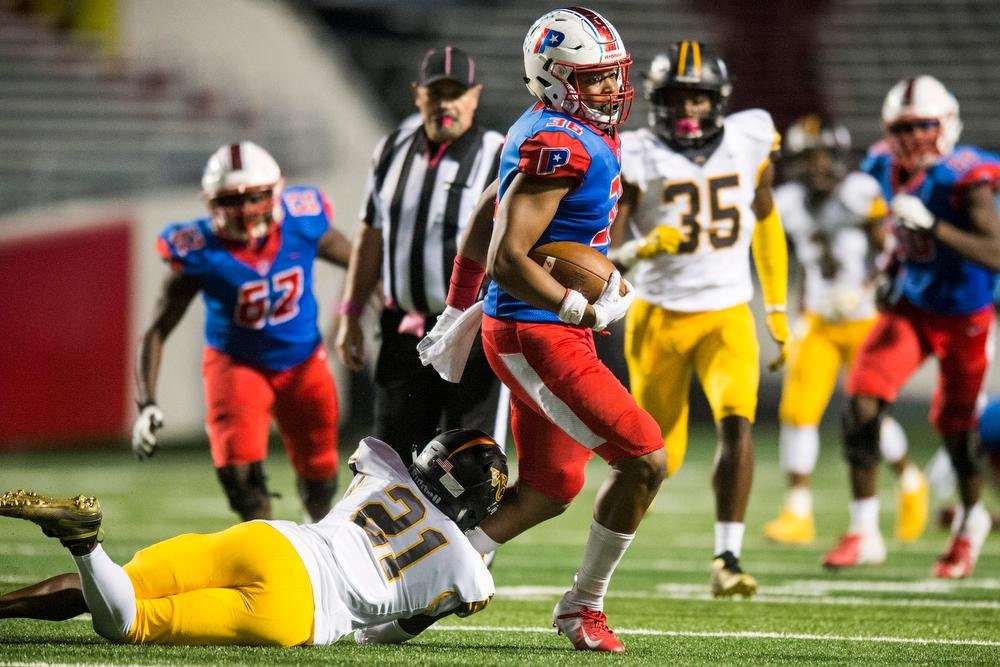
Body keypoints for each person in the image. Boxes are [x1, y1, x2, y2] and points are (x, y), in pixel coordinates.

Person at [421, 7, 666, 654]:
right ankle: (582, 605)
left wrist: (455, 306)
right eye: (595, 80)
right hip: (536, 330)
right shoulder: (559, 140)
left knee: (553, 485)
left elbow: (482, 215)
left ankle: (425, 589)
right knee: (645, 458)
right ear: (553, 78)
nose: (612, 91)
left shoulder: (560, 129)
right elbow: (506, 253)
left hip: (541, 325)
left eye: (614, 77)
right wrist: (577, 305)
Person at [0, 429, 507, 647]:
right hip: (298, 607)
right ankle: (85, 542)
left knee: (124, 582)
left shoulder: (382, 470)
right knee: (129, 624)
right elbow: (390, 631)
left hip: (271, 540)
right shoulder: (469, 574)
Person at [608, 41, 787, 598]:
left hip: (728, 312)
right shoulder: (636, 153)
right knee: (659, 455)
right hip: (659, 318)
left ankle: (727, 557)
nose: (689, 111)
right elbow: (605, 249)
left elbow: (767, 219)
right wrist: (640, 250)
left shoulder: (751, 139)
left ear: (720, 102)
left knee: (738, 420)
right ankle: (603, 558)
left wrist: (777, 306)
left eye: (700, 100)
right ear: (660, 101)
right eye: (678, 99)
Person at [823, 75, 1000, 578]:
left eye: (924, 125)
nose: (914, 138)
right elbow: (898, 234)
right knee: (860, 402)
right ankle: (864, 531)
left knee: (957, 429)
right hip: (911, 308)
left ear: (945, 124)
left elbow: (995, 252)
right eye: (904, 127)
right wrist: (889, 269)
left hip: (964, 315)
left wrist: (934, 227)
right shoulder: (882, 163)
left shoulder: (968, 176)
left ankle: (969, 528)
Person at [132, 141, 350, 523]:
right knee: (240, 480)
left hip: (302, 361)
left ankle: (321, 545)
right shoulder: (199, 249)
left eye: (253, 197)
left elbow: (363, 261)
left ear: (275, 193)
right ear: (211, 203)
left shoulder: (302, 223)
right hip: (237, 365)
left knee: (321, 476)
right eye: (231, 200)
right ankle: (263, 552)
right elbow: (155, 330)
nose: (245, 210)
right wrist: (146, 402)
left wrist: (351, 314)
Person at [763, 115, 928, 546]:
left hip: (863, 321)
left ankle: (910, 480)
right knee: (797, 414)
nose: (816, 167)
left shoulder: (860, 194)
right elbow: (799, 261)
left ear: (838, 158)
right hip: (818, 320)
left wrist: (868, 291)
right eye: (807, 159)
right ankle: (798, 511)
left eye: (823, 157)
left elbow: (891, 253)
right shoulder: (789, 200)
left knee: (868, 417)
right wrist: (797, 311)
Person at [335, 46, 504, 461]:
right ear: (417, 94)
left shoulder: (500, 154)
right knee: (387, 459)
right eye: (436, 92)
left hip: (470, 333)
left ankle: (460, 532)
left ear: (475, 95)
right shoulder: (391, 149)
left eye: (456, 92)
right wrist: (351, 313)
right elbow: (370, 234)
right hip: (404, 332)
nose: (446, 103)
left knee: (467, 463)